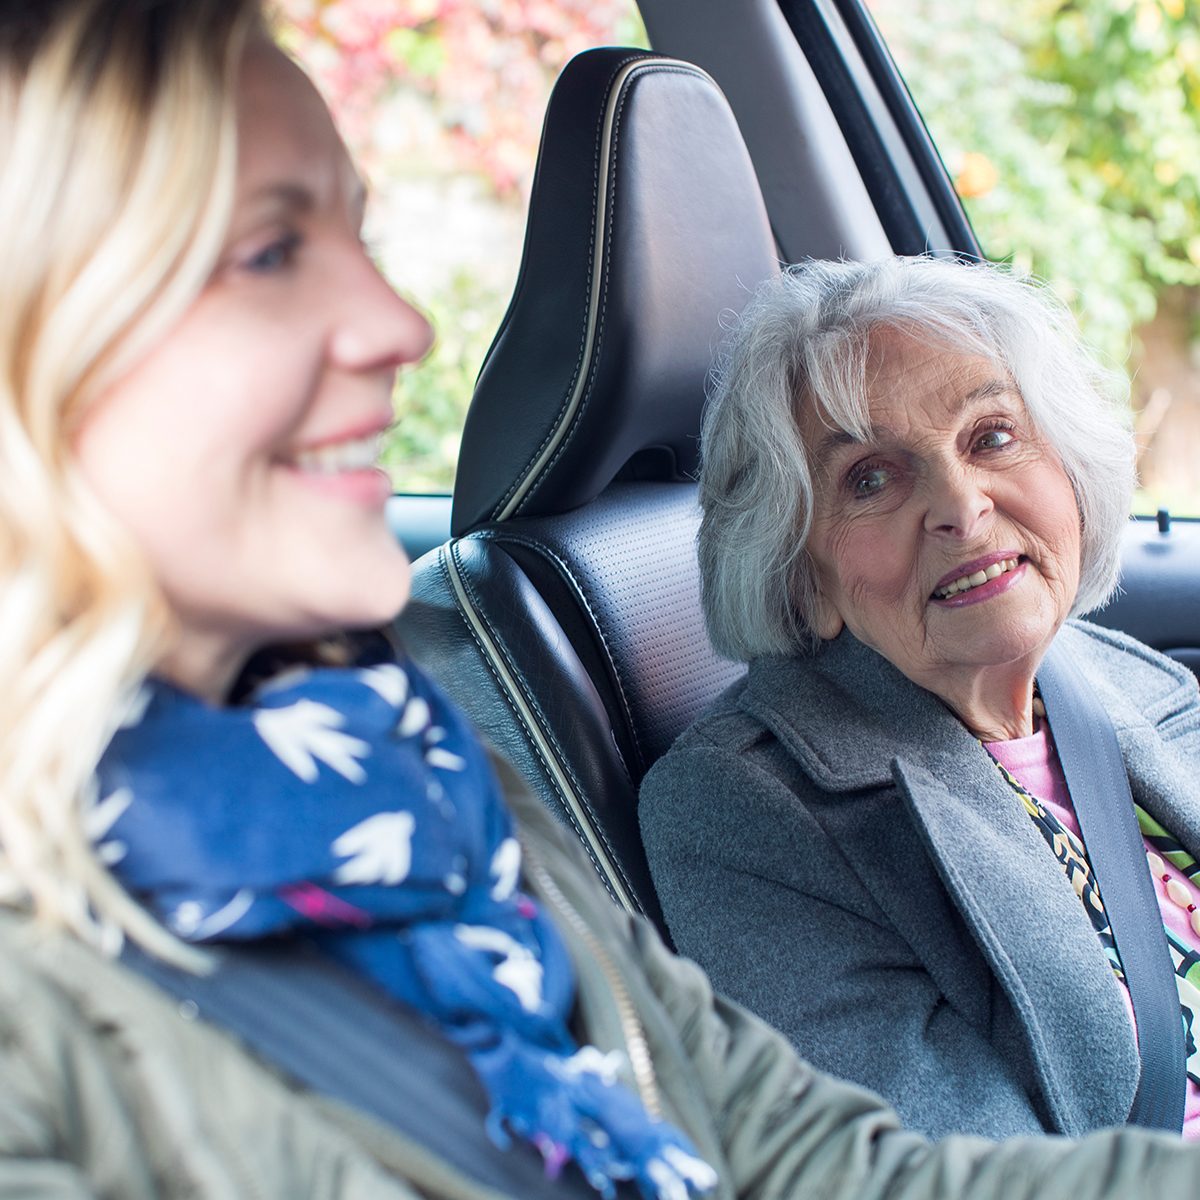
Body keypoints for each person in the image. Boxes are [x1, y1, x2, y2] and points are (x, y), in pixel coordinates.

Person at [3, 3, 1199, 1196]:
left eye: (356, 238)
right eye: (270, 255)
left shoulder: (427, 784)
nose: (396, 326)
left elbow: (809, 1159)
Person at [639, 256, 1200, 1143]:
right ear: (802, 575)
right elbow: (959, 1172)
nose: (960, 506)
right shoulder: (747, 810)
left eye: (992, 437)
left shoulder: (1127, 679)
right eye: (871, 478)